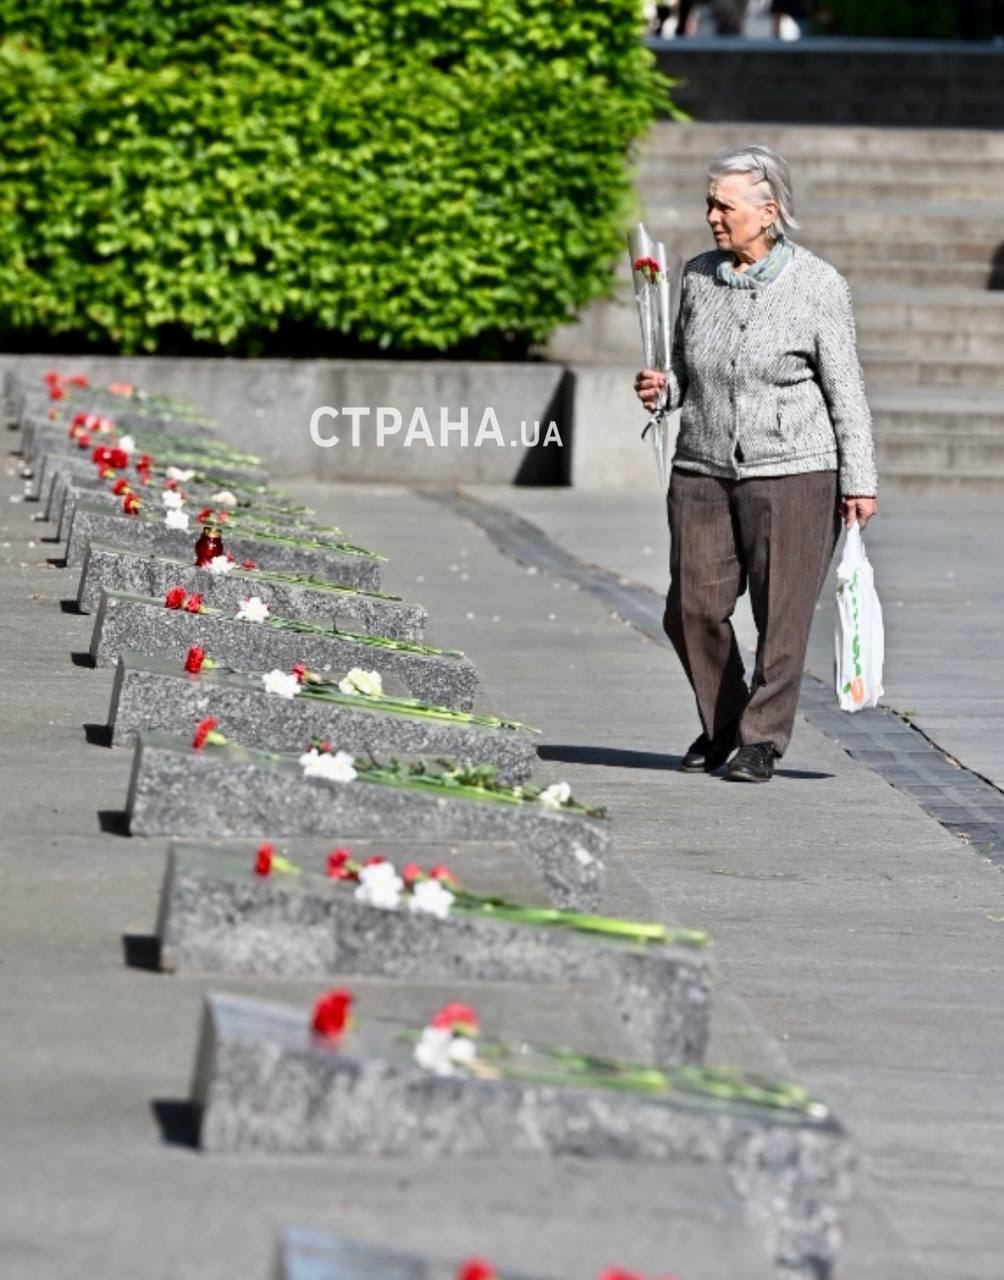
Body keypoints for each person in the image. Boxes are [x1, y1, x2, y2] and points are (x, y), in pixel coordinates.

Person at [634, 145, 878, 783]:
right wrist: (665, 389)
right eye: (709, 204)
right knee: (690, 608)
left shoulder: (819, 285)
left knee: (783, 616)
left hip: (795, 469)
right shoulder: (695, 277)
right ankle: (726, 724)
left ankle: (760, 740)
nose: (712, 216)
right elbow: (686, 370)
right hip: (703, 467)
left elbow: (845, 391)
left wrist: (859, 481)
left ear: (768, 211)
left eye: (725, 205)